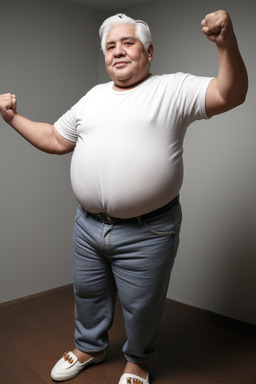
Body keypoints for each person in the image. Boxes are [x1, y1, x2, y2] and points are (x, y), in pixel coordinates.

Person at [0, 10, 248, 384]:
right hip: (88, 225)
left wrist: (225, 42)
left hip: (148, 229)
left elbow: (231, 94)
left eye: (127, 43)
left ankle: (138, 361)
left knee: (142, 304)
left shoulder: (173, 88)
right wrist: (12, 118)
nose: (118, 51)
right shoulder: (94, 97)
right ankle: (89, 347)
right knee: (88, 293)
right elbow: (54, 138)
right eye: (110, 46)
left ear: (149, 52)